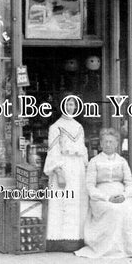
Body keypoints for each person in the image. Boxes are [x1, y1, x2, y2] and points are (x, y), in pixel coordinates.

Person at [75, 128, 132, 258]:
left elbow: (129, 183)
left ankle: (128, 249)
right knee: (112, 210)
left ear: (117, 144)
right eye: (105, 142)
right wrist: (107, 197)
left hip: (121, 195)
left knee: (126, 210)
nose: (108, 145)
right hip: (101, 197)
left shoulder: (122, 161)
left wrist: (123, 195)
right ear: (100, 144)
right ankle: (108, 249)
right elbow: (90, 186)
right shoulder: (94, 161)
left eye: (111, 142)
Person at [44, 94, 88, 252]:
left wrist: (86, 167)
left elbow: (83, 150)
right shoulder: (55, 127)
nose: (70, 108)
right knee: (62, 203)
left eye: (73, 105)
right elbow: (53, 150)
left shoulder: (79, 126)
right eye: (68, 104)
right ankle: (59, 240)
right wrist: (57, 170)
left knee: (77, 204)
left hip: (78, 169)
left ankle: (75, 239)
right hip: (63, 167)